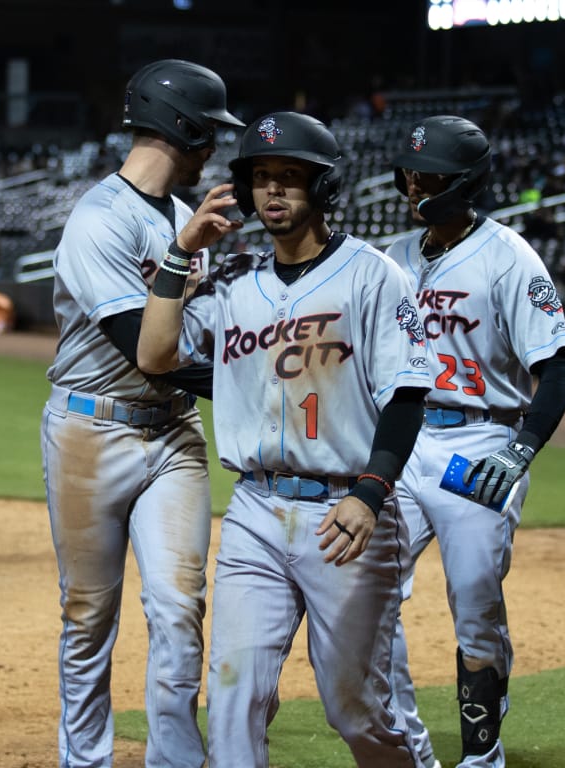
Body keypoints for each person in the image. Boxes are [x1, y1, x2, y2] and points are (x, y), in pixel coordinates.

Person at [136, 111, 433, 766]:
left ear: (322, 189)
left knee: (357, 709)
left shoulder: (373, 276)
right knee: (234, 696)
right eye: (261, 178)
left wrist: (371, 491)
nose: (272, 192)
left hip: (346, 516)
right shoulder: (232, 278)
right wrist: (181, 251)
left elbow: (408, 395)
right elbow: (155, 355)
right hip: (254, 514)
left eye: (289, 178)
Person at [40, 58, 243, 768]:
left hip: (174, 434)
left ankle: (175, 761)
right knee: (89, 614)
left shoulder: (189, 219)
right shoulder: (98, 220)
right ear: (180, 127)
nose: (213, 147)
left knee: (180, 608)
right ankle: (85, 761)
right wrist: (251, 389)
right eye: (208, 132)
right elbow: (146, 352)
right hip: (91, 432)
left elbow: (201, 338)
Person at [382, 115, 565, 768]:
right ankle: (412, 753)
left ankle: (480, 758)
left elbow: (558, 368)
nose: (414, 185)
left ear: (463, 181)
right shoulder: (397, 257)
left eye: (428, 173)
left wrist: (519, 450)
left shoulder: (510, 257)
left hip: (479, 443)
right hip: (405, 444)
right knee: (367, 598)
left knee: (474, 607)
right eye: (410, 172)